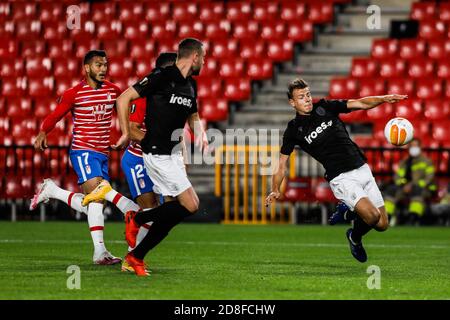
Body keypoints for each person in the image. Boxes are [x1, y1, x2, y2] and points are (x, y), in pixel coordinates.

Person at [265, 78, 407, 263]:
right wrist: (276, 188)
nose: (307, 99)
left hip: (362, 168)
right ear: (292, 102)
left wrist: (384, 98)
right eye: (301, 97)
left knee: (382, 224)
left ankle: (349, 212)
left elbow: (360, 103)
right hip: (342, 178)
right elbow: (282, 163)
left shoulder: (325, 107)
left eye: (308, 94)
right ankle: (354, 237)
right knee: (372, 216)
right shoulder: (293, 130)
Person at [108, 38, 208, 276]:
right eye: (203, 57)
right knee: (192, 205)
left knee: (172, 214)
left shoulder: (190, 85)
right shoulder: (161, 77)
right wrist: (125, 132)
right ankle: (138, 219)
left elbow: (193, 117)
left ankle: (136, 256)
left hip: (171, 155)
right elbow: (123, 99)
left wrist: (203, 137)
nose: (204, 62)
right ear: (194, 57)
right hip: (157, 155)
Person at [31, 50, 141, 265]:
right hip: (83, 150)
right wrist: (43, 131)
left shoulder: (113, 91)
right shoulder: (75, 93)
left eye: (105, 65)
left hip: (102, 153)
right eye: (99, 65)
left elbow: (130, 105)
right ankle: (123, 214)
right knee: (99, 193)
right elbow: (56, 114)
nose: (103, 69)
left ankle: (53, 191)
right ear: (87, 68)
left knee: (94, 202)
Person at [119, 52, 178, 273]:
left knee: (172, 209)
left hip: (162, 161)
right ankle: (131, 258)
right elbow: (133, 130)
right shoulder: (144, 96)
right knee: (150, 207)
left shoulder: (175, 96)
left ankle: (131, 218)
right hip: (138, 160)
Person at [383, 138, 437, 226]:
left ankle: (413, 218)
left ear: (420, 147)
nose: (413, 148)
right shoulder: (404, 162)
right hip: (404, 189)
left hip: (423, 188)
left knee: (417, 190)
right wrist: (402, 184)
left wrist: (412, 185)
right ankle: (386, 217)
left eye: (416, 146)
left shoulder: (427, 162)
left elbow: (429, 178)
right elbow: (397, 177)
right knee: (391, 190)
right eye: (412, 146)